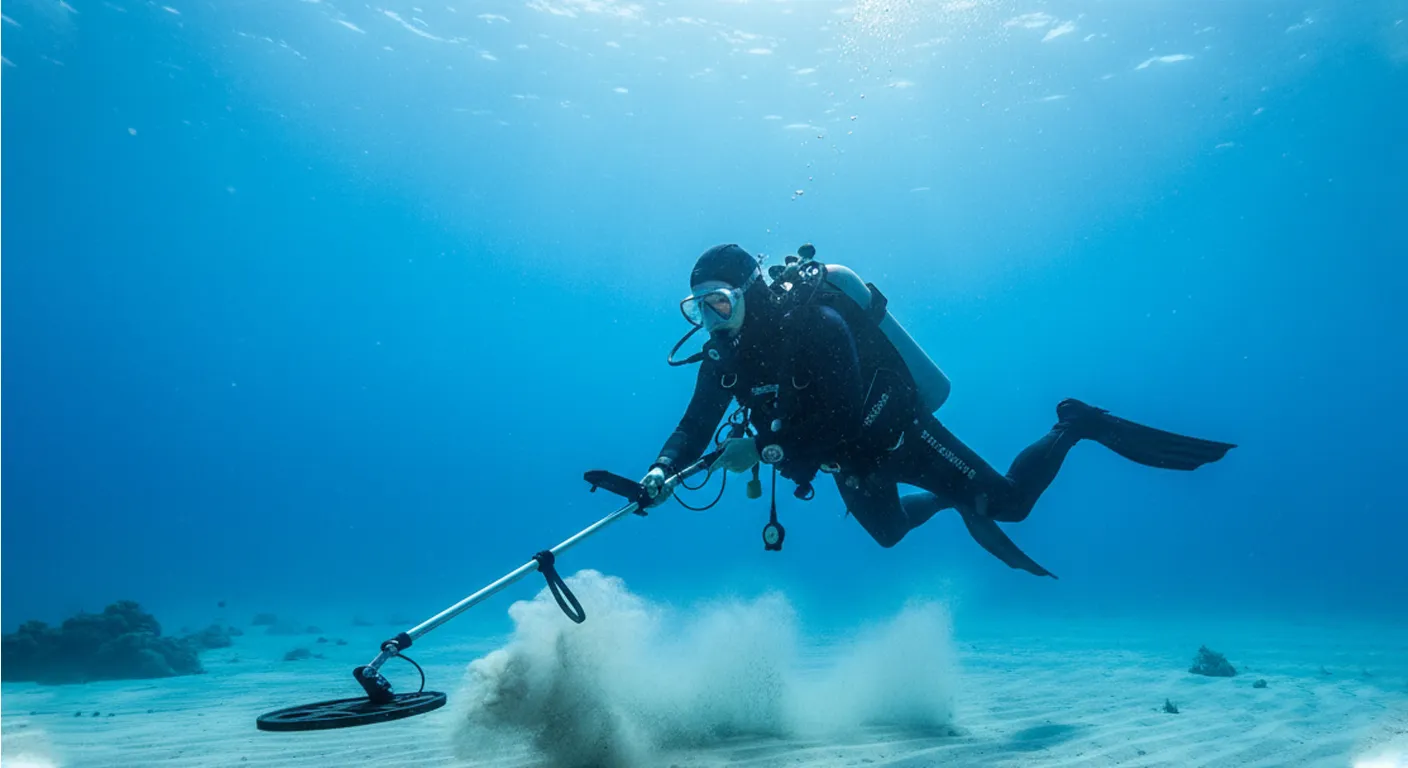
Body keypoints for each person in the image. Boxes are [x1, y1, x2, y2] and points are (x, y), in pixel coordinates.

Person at [639, 244, 1235, 578]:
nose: (713, 322)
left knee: (1012, 506)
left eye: (720, 303)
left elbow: (843, 414)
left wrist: (764, 450)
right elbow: (695, 423)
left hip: (899, 433)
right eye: (701, 310)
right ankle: (954, 497)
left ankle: (1075, 422)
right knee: (891, 533)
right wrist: (663, 469)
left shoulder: (816, 325)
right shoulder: (724, 358)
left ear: (751, 290)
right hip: (843, 462)